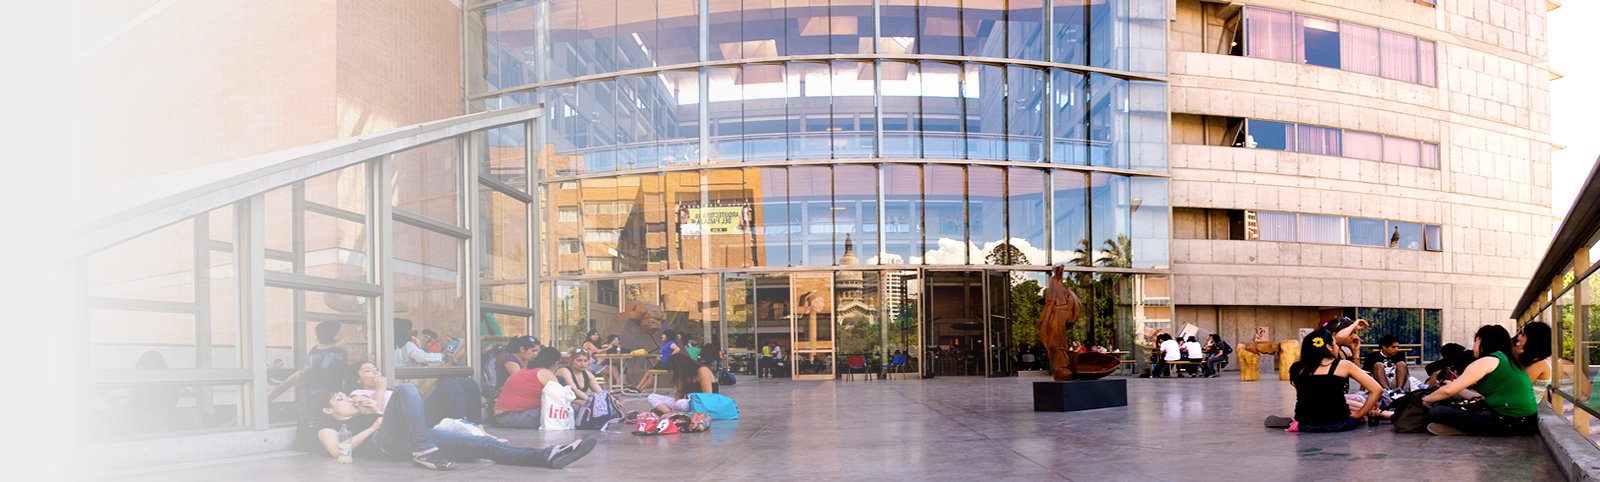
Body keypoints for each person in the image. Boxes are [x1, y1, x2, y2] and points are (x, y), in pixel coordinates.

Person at [307, 385, 596, 470]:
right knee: (407, 389)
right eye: (340, 398)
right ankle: (424, 450)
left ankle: (547, 456)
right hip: (383, 444)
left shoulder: (365, 411)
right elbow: (337, 451)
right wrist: (373, 427)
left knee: (483, 445)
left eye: (346, 395)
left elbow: (395, 420)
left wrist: (374, 410)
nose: (348, 399)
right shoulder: (326, 426)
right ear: (327, 410)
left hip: (413, 439)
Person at [1421, 325, 1538, 436]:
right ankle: (1467, 428)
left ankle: (1465, 429)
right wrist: (1457, 388)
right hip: (1524, 422)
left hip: (1508, 421)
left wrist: (1424, 399)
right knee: (1445, 405)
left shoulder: (1487, 361)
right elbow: (1482, 397)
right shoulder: (1508, 360)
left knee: (1437, 411)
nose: (1473, 346)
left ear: (1482, 341)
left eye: (1475, 340)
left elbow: (1448, 391)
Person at [1263, 329, 1385, 432]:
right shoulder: (1343, 365)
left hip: (1305, 424)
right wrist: (1360, 414)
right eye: (1335, 344)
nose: (1337, 348)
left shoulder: (1297, 368)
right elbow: (1377, 389)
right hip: (1338, 423)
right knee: (1354, 402)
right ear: (1328, 347)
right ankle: (1382, 413)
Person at [493, 346, 562, 429]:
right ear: (556, 363)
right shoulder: (545, 373)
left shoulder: (526, 370)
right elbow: (560, 399)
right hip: (516, 416)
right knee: (572, 410)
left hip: (501, 415)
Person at [646, 352, 720, 414]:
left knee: (681, 404)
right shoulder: (683, 375)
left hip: (703, 403)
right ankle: (670, 413)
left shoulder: (702, 370)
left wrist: (679, 404)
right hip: (688, 404)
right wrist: (676, 400)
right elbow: (680, 392)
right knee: (652, 397)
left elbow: (707, 395)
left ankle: (671, 412)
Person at [304, 321, 349, 394]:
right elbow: (345, 372)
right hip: (332, 389)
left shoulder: (314, 349)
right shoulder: (339, 351)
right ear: (333, 334)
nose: (341, 334)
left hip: (313, 388)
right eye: (339, 332)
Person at [1514, 322, 1553, 400]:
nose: (1519, 337)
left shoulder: (1539, 364)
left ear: (1533, 338)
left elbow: (1516, 387)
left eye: (1523, 335)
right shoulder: (1532, 360)